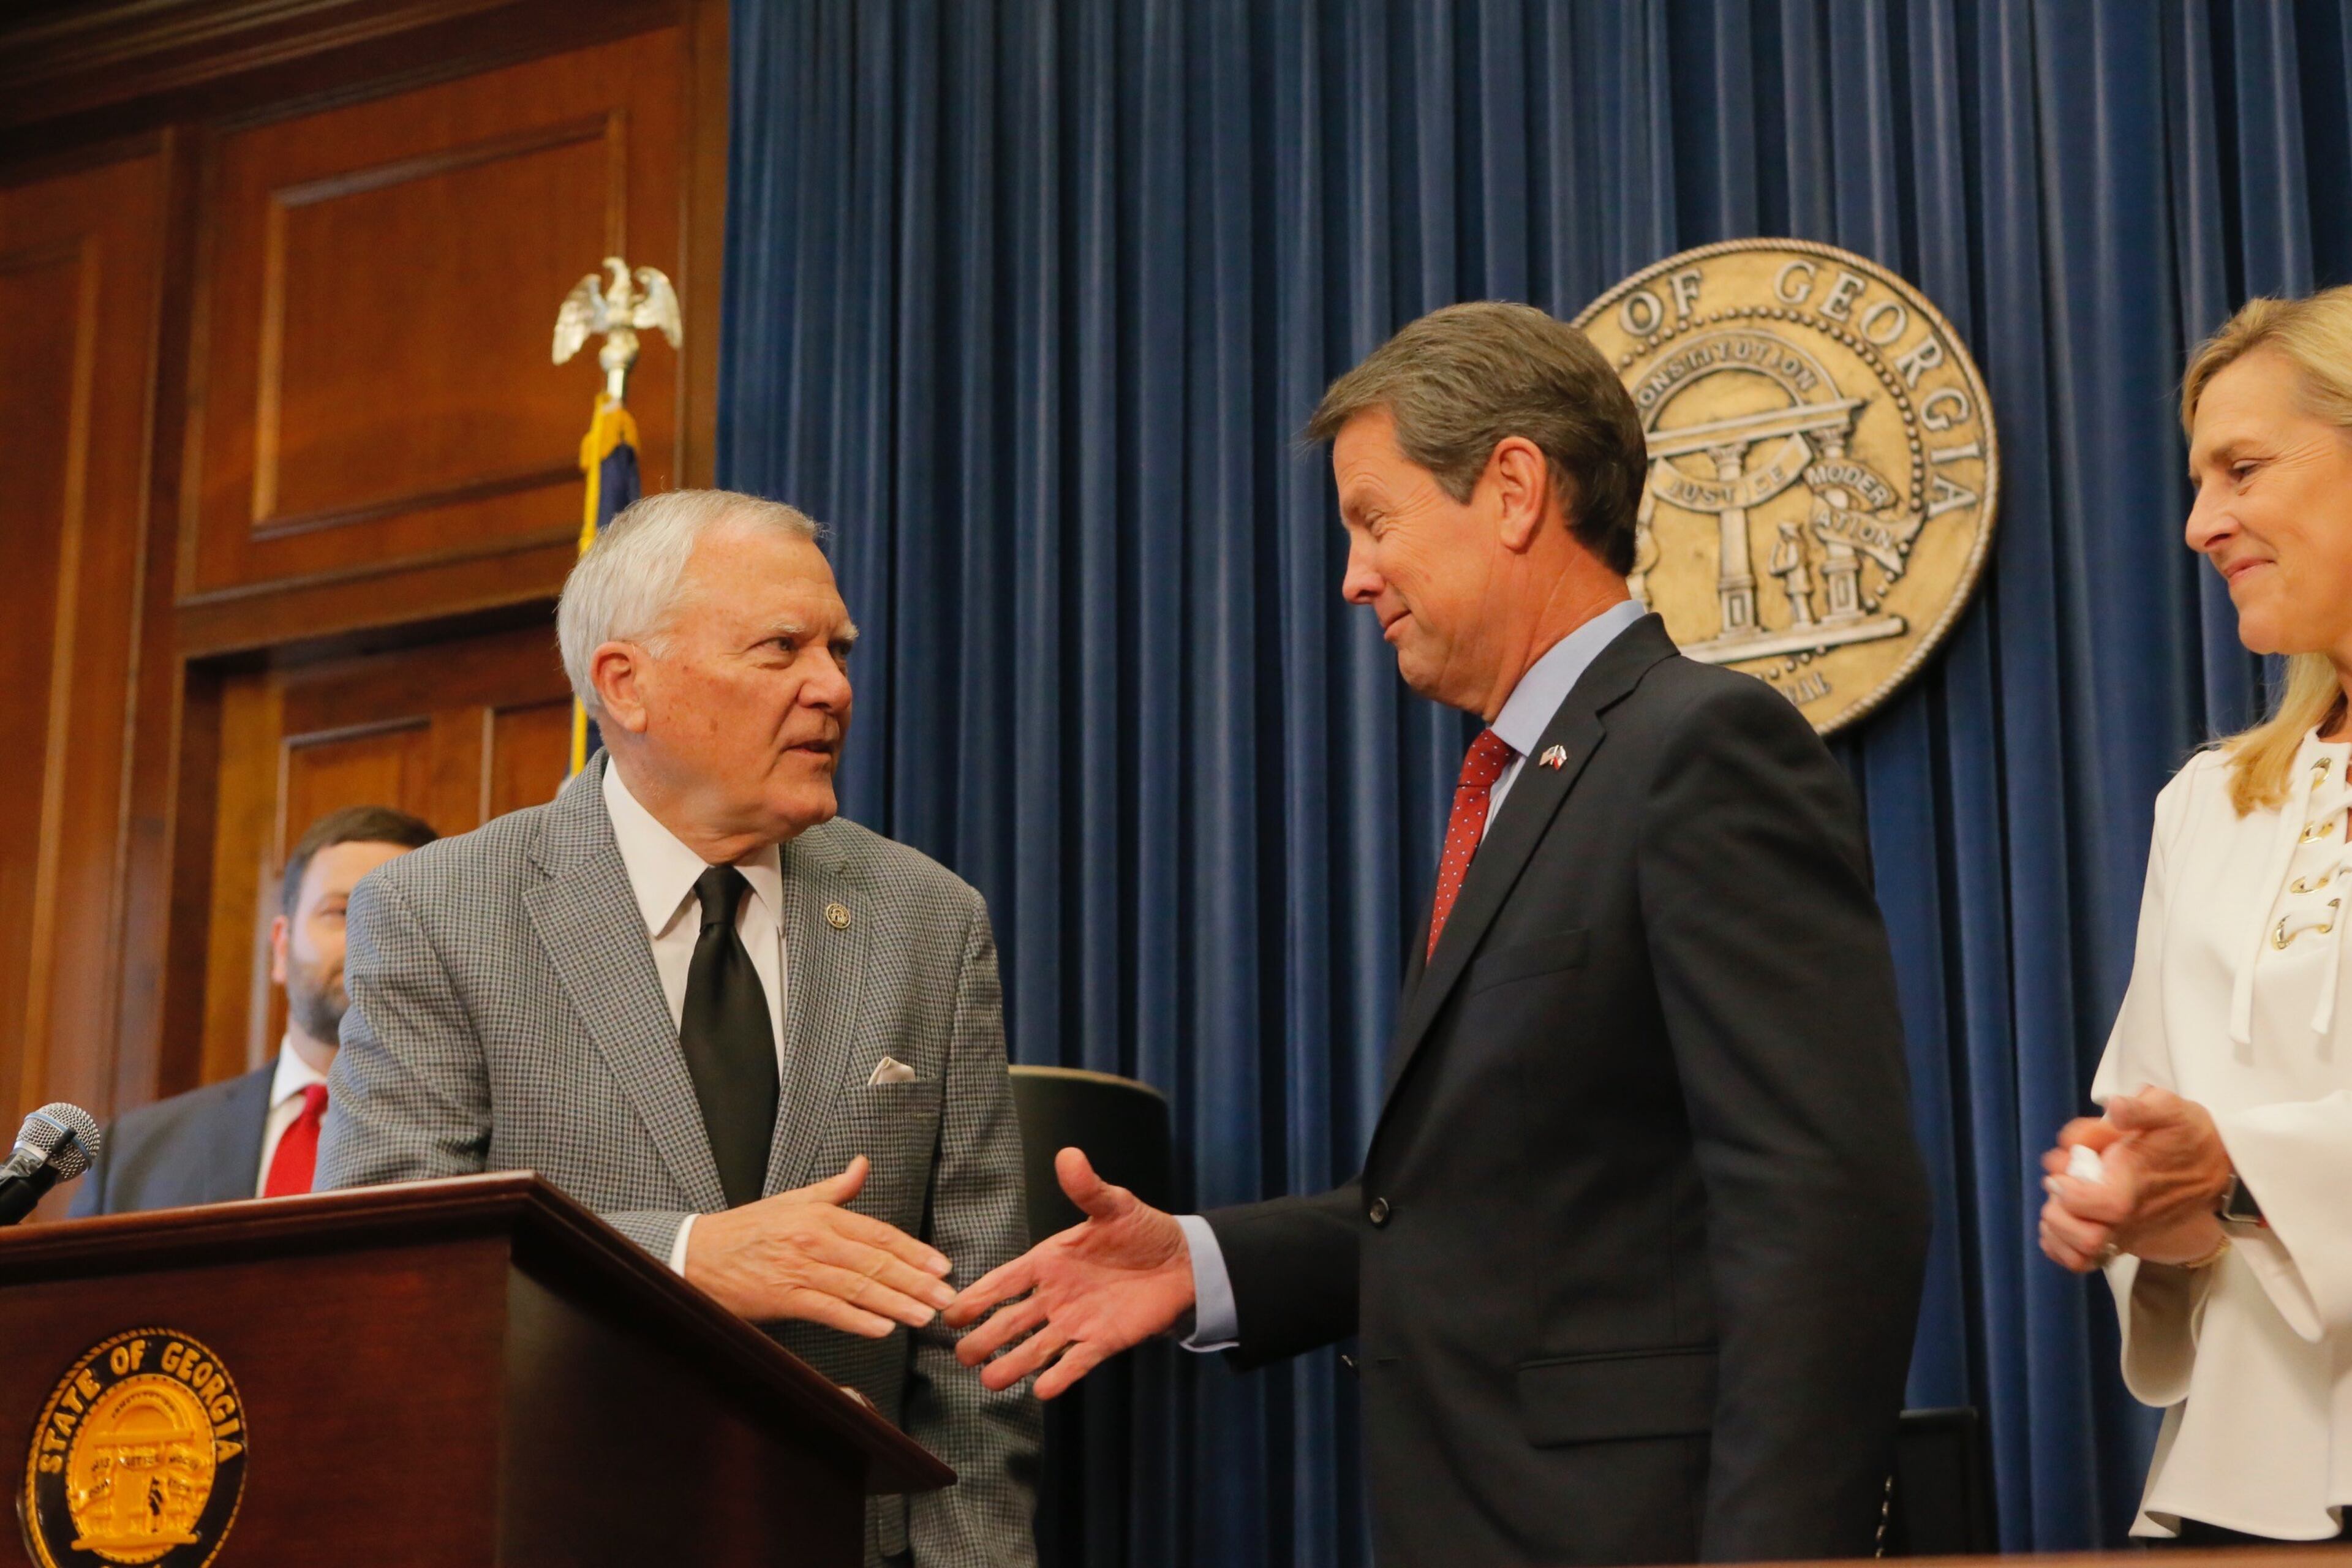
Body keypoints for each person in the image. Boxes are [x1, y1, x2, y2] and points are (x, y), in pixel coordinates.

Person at [948, 302, 1931, 1566]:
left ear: (1514, 490)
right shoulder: (1523, 781)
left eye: (1374, 519)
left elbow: (1825, 1202)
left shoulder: (1698, 749)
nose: (1354, 576)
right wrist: (1199, 1263)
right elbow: (1501, 1211)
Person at [315, 490, 1039, 1568]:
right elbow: (387, 1266)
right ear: (626, 683)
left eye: (838, 649)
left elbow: (979, 1341)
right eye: (781, 649)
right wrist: (688, 1257)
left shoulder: (929, 921)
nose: (833, 687)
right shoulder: (440, 912)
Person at [2038, 285, 2352, 1547]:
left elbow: (2228, 1161)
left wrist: (2240, 1170)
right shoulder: (2207, 806)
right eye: (2198, 480)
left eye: (2244, 468)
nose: (2200, 523)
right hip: (2240, 1489)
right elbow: (2162, 1140)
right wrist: (2154, 1217)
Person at [69, 805, 437, 1216]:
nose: (368, 938)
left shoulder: (485, 1139)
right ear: (281, 946)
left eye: (398, 916)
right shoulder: (135, 1156)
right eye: (340, 912)